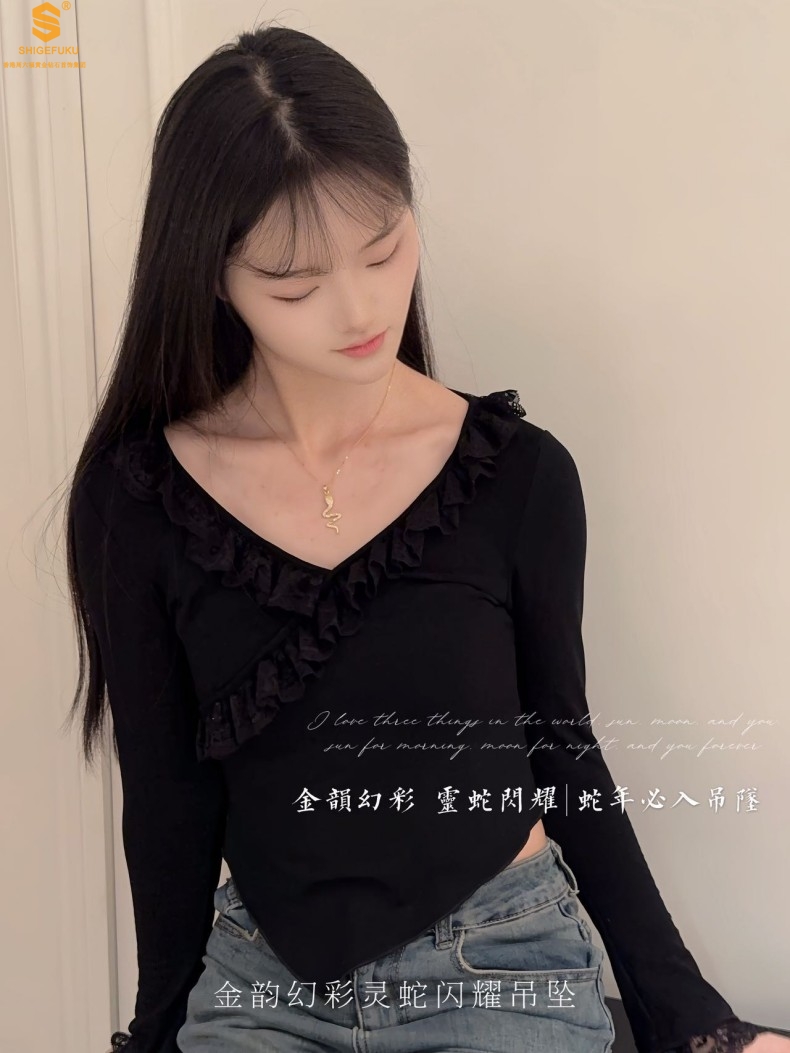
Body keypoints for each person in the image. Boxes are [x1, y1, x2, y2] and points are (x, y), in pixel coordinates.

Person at [63, 22, 788, 1053]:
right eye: (294, 283)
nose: (362, 307)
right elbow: (168, 805)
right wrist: (154, 1034)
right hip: (262, 985)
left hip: (502, 969)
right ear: (211, 276)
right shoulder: (139, 501)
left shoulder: (516, 478)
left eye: (384, 247)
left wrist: (695, 1023)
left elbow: (561, 751)